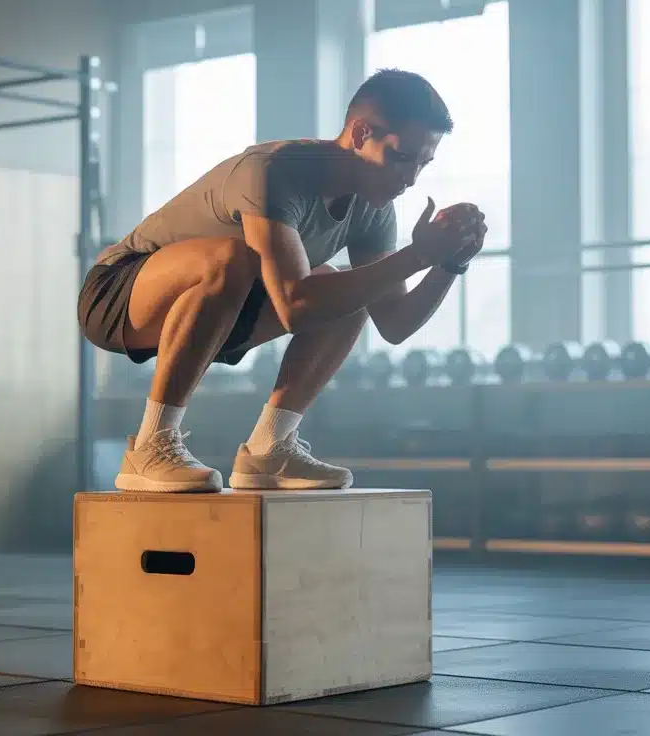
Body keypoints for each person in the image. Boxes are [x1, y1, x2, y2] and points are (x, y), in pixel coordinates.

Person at [78, 68, 487, 493]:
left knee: (351, 293)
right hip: (118, 295)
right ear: (361, 132)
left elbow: (395, 323)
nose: (411, 178)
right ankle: (150, 444)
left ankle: (269, 450)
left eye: (423, 163)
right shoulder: (274, 170)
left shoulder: (375, 206)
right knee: (234, 257)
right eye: (402, 157)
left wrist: (448, 264)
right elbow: (294, 307)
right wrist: (417, 254)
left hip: (226, 311)